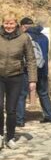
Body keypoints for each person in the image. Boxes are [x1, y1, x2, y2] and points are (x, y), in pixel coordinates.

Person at [0, 12, 37, 149]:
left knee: (11, 109)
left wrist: (32, 80)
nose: (8, 26)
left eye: (11, 23)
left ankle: (10, 137)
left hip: (16, 77)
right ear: (3, 23)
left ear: (16, 24)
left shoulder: (24, 38)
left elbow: (31, 59)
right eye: (6, 23)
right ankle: (0, 136)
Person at [16, 17, 51, 127]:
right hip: (43, 69)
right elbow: (45, 53)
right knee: (43, 93)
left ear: (23, 26)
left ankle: (19, 119)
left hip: (27, 70)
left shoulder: (24, 37)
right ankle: (50, 116)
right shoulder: (44, 37)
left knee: (21, 94)